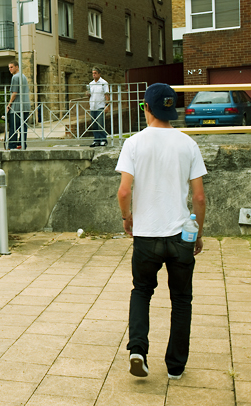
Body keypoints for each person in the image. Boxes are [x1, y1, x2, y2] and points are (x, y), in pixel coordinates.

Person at [115, 83, 207, 381]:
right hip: (181, 235)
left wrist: (127, 218)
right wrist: (198, 233)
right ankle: (176, 367)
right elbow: (199, 197)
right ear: (171, 109)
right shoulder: (188, 144)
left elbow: (124, 190)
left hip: (146, 235)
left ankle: (138, 350)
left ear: (147, 109)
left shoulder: (134, 143)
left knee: (141, 291)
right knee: (181, 299)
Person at [6, 60, 31, 150]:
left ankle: (12, 145)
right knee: (23, 126)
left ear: (17, 67)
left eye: (11, 67)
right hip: (26, 105)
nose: (10, 69)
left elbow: (14, 93)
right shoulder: (23, 76)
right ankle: (22, 144)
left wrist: (9, 105)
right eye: (9, 67)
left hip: (17, 106)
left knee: (13, 127)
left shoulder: (15, 77)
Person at [87, 67, 110, 147]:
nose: (94, 75)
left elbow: (106, 94)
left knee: (100, 124)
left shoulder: (104, 83)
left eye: (95, 73)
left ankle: (103, 139)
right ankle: (96, 140)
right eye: (93, 73)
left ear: (99, 74)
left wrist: (107, 105)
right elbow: (90, 95)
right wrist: (88, 94)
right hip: (93, 106)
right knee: (94, 124)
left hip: (100, 105)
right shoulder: (91, 84)